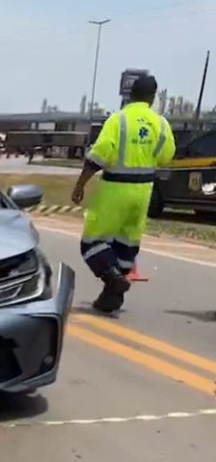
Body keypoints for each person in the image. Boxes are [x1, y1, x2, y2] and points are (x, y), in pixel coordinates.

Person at [71, 75, 175, 313]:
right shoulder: (161, 124)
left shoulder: (118, 120)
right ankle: (112, 297)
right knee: (127, 244)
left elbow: (99, 155)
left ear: (130, 95)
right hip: (143, 192)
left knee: (92, 243)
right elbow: (166, 156)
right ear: (152, 97)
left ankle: (112, 279)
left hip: (115, 190)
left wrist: (80, 184)